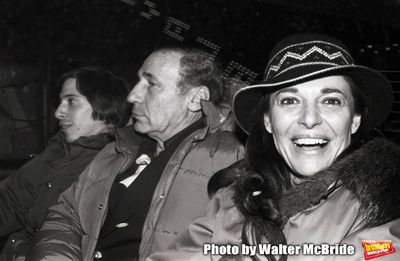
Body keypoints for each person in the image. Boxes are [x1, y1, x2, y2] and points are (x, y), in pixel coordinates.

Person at [147, 34, 400, 261]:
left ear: (354, 120)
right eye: (290, 100)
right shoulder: (232, 203)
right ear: (268, 121)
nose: (310, 119)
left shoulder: (387, 206)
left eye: (331, 101)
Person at [26, 48, 244, 261]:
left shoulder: (231, 159)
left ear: (196, 99)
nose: (132, 96)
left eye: (151, 85)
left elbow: (232, 248)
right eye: (138, 82)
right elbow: (66, 216)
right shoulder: (116, 149)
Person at [0, 66, 132, 260]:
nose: (58, 112)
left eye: (71, 101)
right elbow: (10, 202)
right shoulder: (57, 151)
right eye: (61, 101)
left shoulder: (115, 165)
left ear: (104, 105)